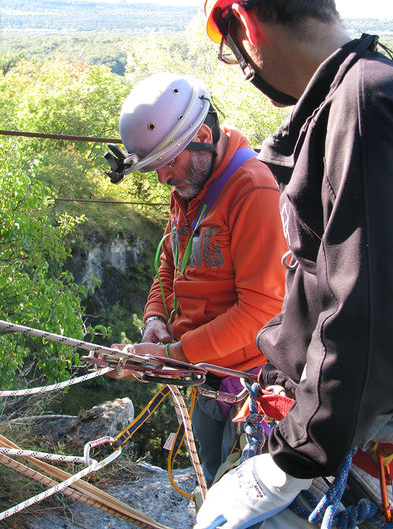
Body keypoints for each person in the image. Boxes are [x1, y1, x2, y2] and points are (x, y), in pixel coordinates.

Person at [195, 0, 393, 528]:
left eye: (233, 50)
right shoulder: (382, 90)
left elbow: (367, 322)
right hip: (380, 419)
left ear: (247, 28)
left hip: (373, 430)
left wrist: (291, 461)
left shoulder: (363, 111)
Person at [105, 72, 287, 487]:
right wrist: (155, 320)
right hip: (204, 375)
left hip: (250, 388)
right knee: (211, 481)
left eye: (166, 163)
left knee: (243, 499)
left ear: (202, 135)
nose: (163, 179)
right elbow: (170, 262)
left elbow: (262, 309)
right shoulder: (191, 186)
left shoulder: (254, 191)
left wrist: (173, 353)